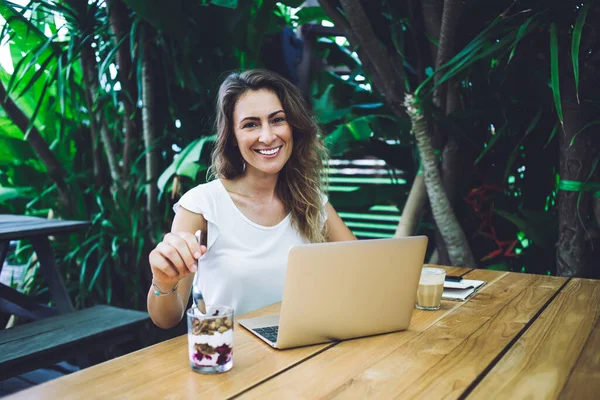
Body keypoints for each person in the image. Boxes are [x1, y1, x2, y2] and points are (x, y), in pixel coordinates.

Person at [148, 69, 356, 328]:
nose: (268, 136)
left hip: (304, 353)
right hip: (227, 357)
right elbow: (166, 319)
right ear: (232, 137)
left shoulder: (311, 199)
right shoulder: (202, 205)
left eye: (277, 120)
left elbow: (359, 272)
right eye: (250, 124)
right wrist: (163, 283)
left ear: (293, 127)